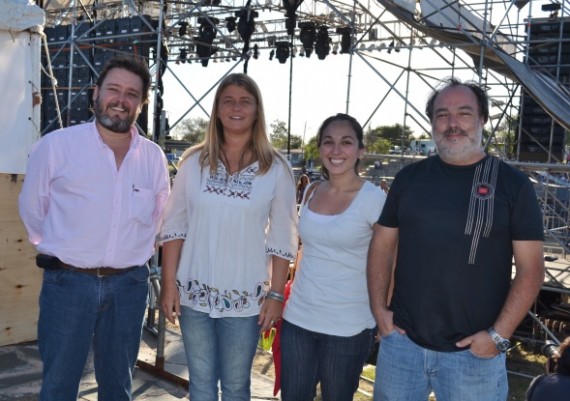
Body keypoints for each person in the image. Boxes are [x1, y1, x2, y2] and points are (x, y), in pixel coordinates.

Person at [367, 78, 545, 401]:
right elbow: (381, 245)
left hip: (474, 356)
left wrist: (499, 336)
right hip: (403, 347)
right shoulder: (408, 180)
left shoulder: (513, 185)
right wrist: (379, 310)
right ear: (432, 122)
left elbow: (532, 270)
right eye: (442, 114)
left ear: (482, 120)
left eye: (463, 113)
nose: (452, 124)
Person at [18, 56, 170, 401]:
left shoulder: (154, 158)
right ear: (96, 93)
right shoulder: (56, 146)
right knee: (59, 385)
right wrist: (63, 250)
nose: (121, 99)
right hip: (67, 284)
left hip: (129, 286)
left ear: (142, 104)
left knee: (118, 387)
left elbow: (159, 219)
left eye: (132, 94)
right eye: (113, 89)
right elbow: (32, 209)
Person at [158, 73, 298, 400]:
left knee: (236, 386)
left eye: (245, 101)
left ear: (257, 111)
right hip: (193, 294)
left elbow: (282, 237)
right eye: (228, 100)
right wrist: (168, 285)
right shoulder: (193, 162)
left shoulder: (276, 168)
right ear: (217, 110)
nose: (237, 107)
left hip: (247, 299)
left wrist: (276, 295)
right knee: (201, 384)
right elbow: (174, 228)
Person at [280, 113, 386, 401]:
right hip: (299, 320)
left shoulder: (374, 200)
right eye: (328, 142)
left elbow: (391, 260)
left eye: (346, 142)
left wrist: (383, 312)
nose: (336, 150)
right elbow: (306, 250)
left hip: (348, 326)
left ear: (360, 150)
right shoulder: (312, 190)